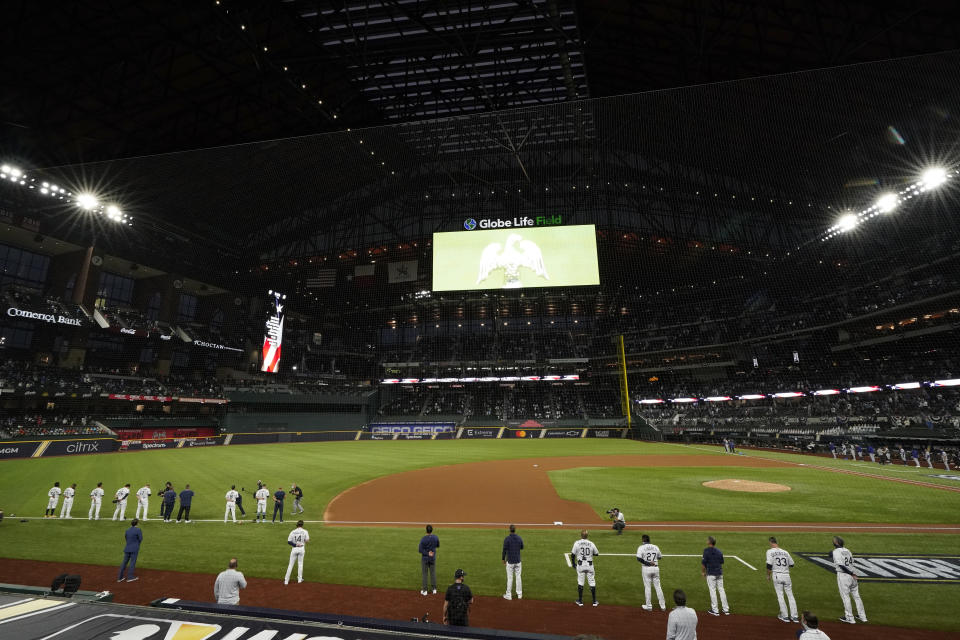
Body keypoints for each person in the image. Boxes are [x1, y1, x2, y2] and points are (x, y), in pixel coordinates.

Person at [831, 536, 867, 624]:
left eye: (834, 541)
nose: (833, 542)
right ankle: (862, 616)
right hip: (853, 575)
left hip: (844, 576)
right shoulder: (848, 550)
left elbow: (841, 565)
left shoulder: (836, 552)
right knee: (857, 596)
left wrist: (850, 573)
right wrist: (853, 574)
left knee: (845, 596)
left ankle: (849, 618)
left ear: (836, 543)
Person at [765, 536, 798, 622]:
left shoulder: (769, 551)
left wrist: (768, 575)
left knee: (780, 595)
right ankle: (794, 617)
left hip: (777, 575)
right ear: (777, 542)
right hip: (787, 575)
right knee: (790, 595)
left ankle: (785, 616)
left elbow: (769, 565)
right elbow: (792, 564)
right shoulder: (785, 552)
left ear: (771, 543)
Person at [636, 534, 666, 611]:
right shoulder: (656, 547)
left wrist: (648, 563)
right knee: (658, 586)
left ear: (643, 540)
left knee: (648, 587)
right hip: (656, 568)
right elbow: (660, 557)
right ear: (649, 540)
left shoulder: (641, 547)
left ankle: (649, 606)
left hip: (646, 569)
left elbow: (638, 558)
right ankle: (663, 606)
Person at [701, 535, 729, 615]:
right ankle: (726, 609)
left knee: (712, 591)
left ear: (709, 542)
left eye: (707, 540)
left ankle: (715, 610)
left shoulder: (706, 551)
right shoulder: (719, 551)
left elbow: (703, 564)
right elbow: (721, 562)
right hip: (719, 573)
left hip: (711, 574)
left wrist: (703, 572)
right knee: (721, 590)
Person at [571, 529, 599, 606]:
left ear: (581, 535)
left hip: (580, 565)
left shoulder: (577, 543)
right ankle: (594, 601)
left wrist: (573, 563)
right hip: (590, 565)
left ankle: (580, 601)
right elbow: (596, 553)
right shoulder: (591, 543)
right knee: (592, 582)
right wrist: (589, 555)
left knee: (580, 582)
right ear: (587, 536)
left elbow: (573, 554)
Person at [284, 519, 309, 585]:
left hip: (294, 549)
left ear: (297, 525)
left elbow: (289, 542)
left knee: (290, 565)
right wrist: (303, 541)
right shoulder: (305, 531)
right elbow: (307, 541)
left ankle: (286, 581)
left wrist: (295, 544)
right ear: (302, 525)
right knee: (300, 564)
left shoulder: (293, 532)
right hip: (301, 549)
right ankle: (299, 580)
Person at [502, 524, 523, 600]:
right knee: (518, 577)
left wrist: (503, 559)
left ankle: (508, 595)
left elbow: (504, 550)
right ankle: (519, 594)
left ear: (509, 530)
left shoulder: (507, 539)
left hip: (510, 561)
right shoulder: (519, 538)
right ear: (515, 530)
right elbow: (522, 547)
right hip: (518, 561)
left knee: (510, 578)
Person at [419, 524, 440, 595]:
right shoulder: (435, 537)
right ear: (432, 530)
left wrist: (427, 553)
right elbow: (438, 545)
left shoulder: (423, 539)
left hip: (425, 559)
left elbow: (420, 550)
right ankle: (434, 589)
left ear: (426, 530)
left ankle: (425, 591)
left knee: (425, 574)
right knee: (433, 573)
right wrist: (431, 550)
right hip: (432, 558)